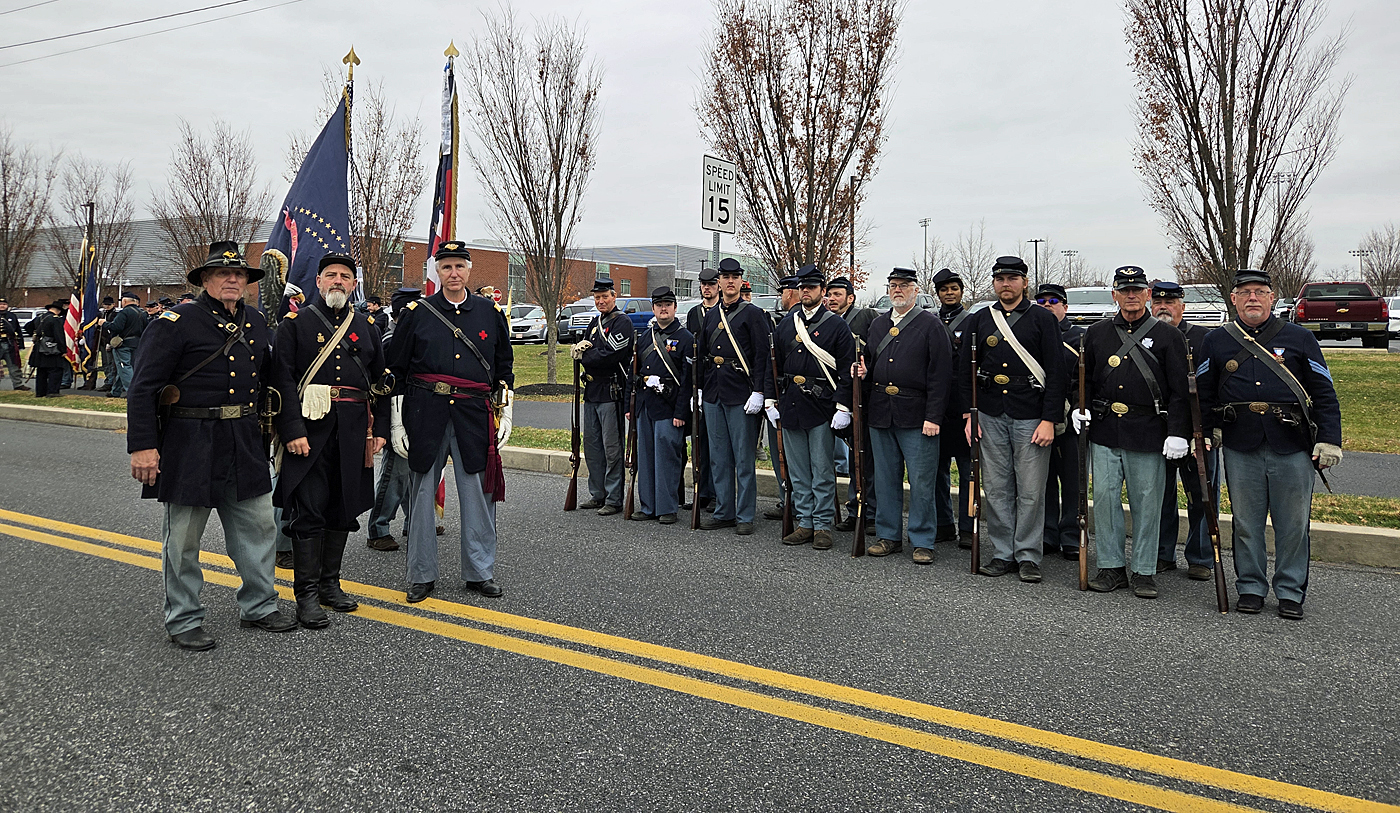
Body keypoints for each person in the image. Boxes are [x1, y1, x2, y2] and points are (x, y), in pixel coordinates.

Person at [125, 241, 298, 651]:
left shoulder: (255, 322)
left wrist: (291, 429)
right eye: (223, 273)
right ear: (205, 279)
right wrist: (143, 447)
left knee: (259, 527)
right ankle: (184, 617)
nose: (233, 280)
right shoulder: (175, 322)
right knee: (183, 539)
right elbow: (143, 387)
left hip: (244, 439)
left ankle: (259, 605)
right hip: (190, 441)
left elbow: (277, 379)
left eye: (240, 274)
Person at [1198, 269, 1341, 620]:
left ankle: (1290, 591)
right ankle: (1250, 587)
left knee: (1293, 525)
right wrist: (1206, 429)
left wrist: (1328, 439)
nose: (1253, 298)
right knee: (1246, 523)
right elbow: (1203, 393)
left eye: (1260, 292)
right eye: (1245, 292)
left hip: (1292, 442)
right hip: (1240, 442)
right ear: (1233, 299)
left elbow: (1323, 391)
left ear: (1272, 298)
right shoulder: (1216, 340)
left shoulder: (1300, 337)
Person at [386, 241, 514, 603]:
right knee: (422, 492)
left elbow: (504, 367)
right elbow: (397, 369)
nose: (453, 273)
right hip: (426, 411)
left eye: (459, 266)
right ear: (437, 272)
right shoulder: (418, 313)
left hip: (473, 413)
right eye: (446, 267)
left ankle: (480, 571)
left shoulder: (490, 313)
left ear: (469, 270)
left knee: (478, 493)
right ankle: (421, 575)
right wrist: (396, 422)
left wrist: (507, 412)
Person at [270, 253, 390, 628]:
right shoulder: (295, 324)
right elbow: (282, 380)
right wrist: (291, 430)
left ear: (353, 285)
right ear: (318, 281)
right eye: (331, 275)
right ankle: (305, 596)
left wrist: (381, 430)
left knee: (342, 509)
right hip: (309, 431)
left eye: (345, 276)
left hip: (353, 432)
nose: (338, 280)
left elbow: (381, 382)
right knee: (309, 512)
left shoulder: (367, 327)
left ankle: (329, 585)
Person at [1072, 266, 1190, 599]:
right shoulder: (1096, 333)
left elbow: (1180, 391)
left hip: (1148, 431)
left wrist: (1178, 432)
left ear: (1147, 294)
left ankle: (1144, 570)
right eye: (1125, 290)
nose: (1131, 296)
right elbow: (1083, 378)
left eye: (1137, 290)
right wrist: (1079, 405)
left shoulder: (1168, 336)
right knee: (1105, 502)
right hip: (1105, 429)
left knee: (1147, 505)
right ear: (1115, 295)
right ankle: (1111, 567)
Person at [958, 256, 1066, 583]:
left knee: (1031, 490)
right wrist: (969, 415)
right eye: (1000, 279)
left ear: (1024, 282)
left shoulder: (1042, 319)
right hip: (990, 412)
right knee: (996, 487)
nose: (1006, 284)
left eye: (1012, 279)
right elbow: (964, 373)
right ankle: (1003, 552)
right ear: (994, 283)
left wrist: (1049, 419)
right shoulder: (980, 319)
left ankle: (1028, 555)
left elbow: (1057, 373)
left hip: (1031, 413)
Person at [854, 267, 952, 563]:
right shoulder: (878, 325)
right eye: (893, 285)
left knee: (922, 482)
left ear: (916, 290)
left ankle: (922, 540)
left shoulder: (931, 325)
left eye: (904, 285)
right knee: (885, 479)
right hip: (881, 412)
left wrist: (934, 417)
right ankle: (888, 536)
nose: (898, 290)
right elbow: (871, 362)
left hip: (917, 414)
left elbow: (940, 375)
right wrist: (863, 372)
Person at [769, 267, 855, 550]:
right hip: (791, 404)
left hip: (820, 405)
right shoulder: (787, 324)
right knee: (798, 472)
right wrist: (770, 400)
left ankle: (822, 525)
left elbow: (846, 370)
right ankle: (804, 523)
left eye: (812, 287)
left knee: (822, 470)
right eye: (802, 287)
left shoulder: (836, 325)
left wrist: (843, 406)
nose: (806, 291)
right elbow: (774, 365)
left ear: (822, 291)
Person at [698, 257, 772, 535]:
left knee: (743, 459)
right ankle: (724, 511)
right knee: (718, 457)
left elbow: (762, 355)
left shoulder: (753, 314)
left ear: (741, 281)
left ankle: (744, 515)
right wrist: (700, 388)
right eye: (725, 277)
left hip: (741, 393)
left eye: (735, 277)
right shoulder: (712, 315)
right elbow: (702, 354)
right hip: (714, 392)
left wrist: (759, 391)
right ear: (719, 282)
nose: (730, 282)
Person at [1151, 280, 1217, 581]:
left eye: (1170, 302)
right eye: (1158, 302)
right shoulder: (1145, 336)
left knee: (1202, 495)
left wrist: (1210, 429)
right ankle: (1162, 553)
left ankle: (1201, 557)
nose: (1163, 307)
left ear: (1182, 306)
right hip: (1157, 429)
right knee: (1160, 495)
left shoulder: (1204, 338)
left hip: (1198, 431)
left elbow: (1214, 387)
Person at [570, 277, 635, 516]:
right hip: (592, 392)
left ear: (614, 296)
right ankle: (597, 494)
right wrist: (584, 353)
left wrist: (585, 356)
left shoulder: (623, 322)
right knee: (593, 447)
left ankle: (614, 498)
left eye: (605, 297)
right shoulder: (594, 322)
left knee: (612, 448)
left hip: (611, 392)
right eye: (597, 297)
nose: (601, 301)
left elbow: (611, 355)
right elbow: (589, 348)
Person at [629, 286, 694, 524]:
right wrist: (629, 407)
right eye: (659, 305)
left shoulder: (686, 338)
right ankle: (648, 506)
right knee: (645, 458)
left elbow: (687, 381)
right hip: (645, 405)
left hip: (669, 407)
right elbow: (633, 375)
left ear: (675, 308)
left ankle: (667, 507)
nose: (663, 309)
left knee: (667, 457)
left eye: (667, 305)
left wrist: (681, 412)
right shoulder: (645, 337)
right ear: (653, 308)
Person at [366, 286, 423, 551]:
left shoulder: (413, 338)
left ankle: (415, 522)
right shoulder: (391, 341)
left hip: (417, 412)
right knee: (395, 474)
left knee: (412, 473)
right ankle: (378, 528)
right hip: (396, 413)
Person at [1036, 283, 1087, 560]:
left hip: (1070, 418)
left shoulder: (1078, 337)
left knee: (1071, 480)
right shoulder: (1032, 333)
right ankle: (1047, 533)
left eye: (1053, 301)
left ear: (1065, 306)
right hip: (1039, 415)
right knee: (1043, 480)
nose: (1047, 305)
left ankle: (1070, 534)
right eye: (1042, 301)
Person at [825, 276, 877, 532]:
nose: (832, 299)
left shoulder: (866, 317)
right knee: (854, 457)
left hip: (863, 397)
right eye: (830, 294)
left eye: (838, 294)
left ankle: (871, 513)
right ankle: (854, 510)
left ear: (851, 298)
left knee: (865, 458)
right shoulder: (825, 322)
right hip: (836, 396)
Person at [931, 268, 974, 549]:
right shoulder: (931, 322)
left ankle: (968, 528)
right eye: (944, 289)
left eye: (954, 288)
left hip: (964, 404)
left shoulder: (972, 321)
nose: (949, 293)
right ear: (938, 293)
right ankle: (944, 524)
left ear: (961, 291)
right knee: (937, 469)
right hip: (939, 405)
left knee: (968, 470)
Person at [761, 274, 801, 519]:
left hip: (785, 396)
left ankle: (790, 501)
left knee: (784, 455)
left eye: (782, 293)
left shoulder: (788, 322)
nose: (781, 298)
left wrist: (770, 398)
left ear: (790, 293)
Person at [685, 266, 722, 512]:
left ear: (718, 285)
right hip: (700, 380)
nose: (706, 288)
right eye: (703, 284)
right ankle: (702, 491)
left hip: (718, 381)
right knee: (699, 441)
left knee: (717, 442)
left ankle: (719, 493)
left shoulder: (722, 311)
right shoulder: (693, 314)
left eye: (710, 284)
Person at [103, 291, 148, 398]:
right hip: (137, 343)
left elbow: (116, 327)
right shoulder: (142, 313)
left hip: (123, 344)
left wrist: (104, 324)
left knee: (124, 367)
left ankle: (132, 392)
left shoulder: (124, 313)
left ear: (124, 301)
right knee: (126, 367)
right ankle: (116, 391)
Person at [26, 301, 68, 398]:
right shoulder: (55, 320)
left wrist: (37, 335)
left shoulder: (39, 318)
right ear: (58, 311)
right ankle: (52, 392)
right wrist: (63, 350)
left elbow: (27, 327)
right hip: (52, 349)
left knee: (41, 371)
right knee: (55, 370)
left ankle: (40, 392)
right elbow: (59, 336)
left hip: (39, 347)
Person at [0, 298, 28, 391]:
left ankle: (18, 384)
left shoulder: (12, 316)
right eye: (0, 304)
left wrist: (21, 344)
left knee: (14, 366)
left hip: (9, 344)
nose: (2, 306)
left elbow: (18, 330)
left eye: (4, 304)